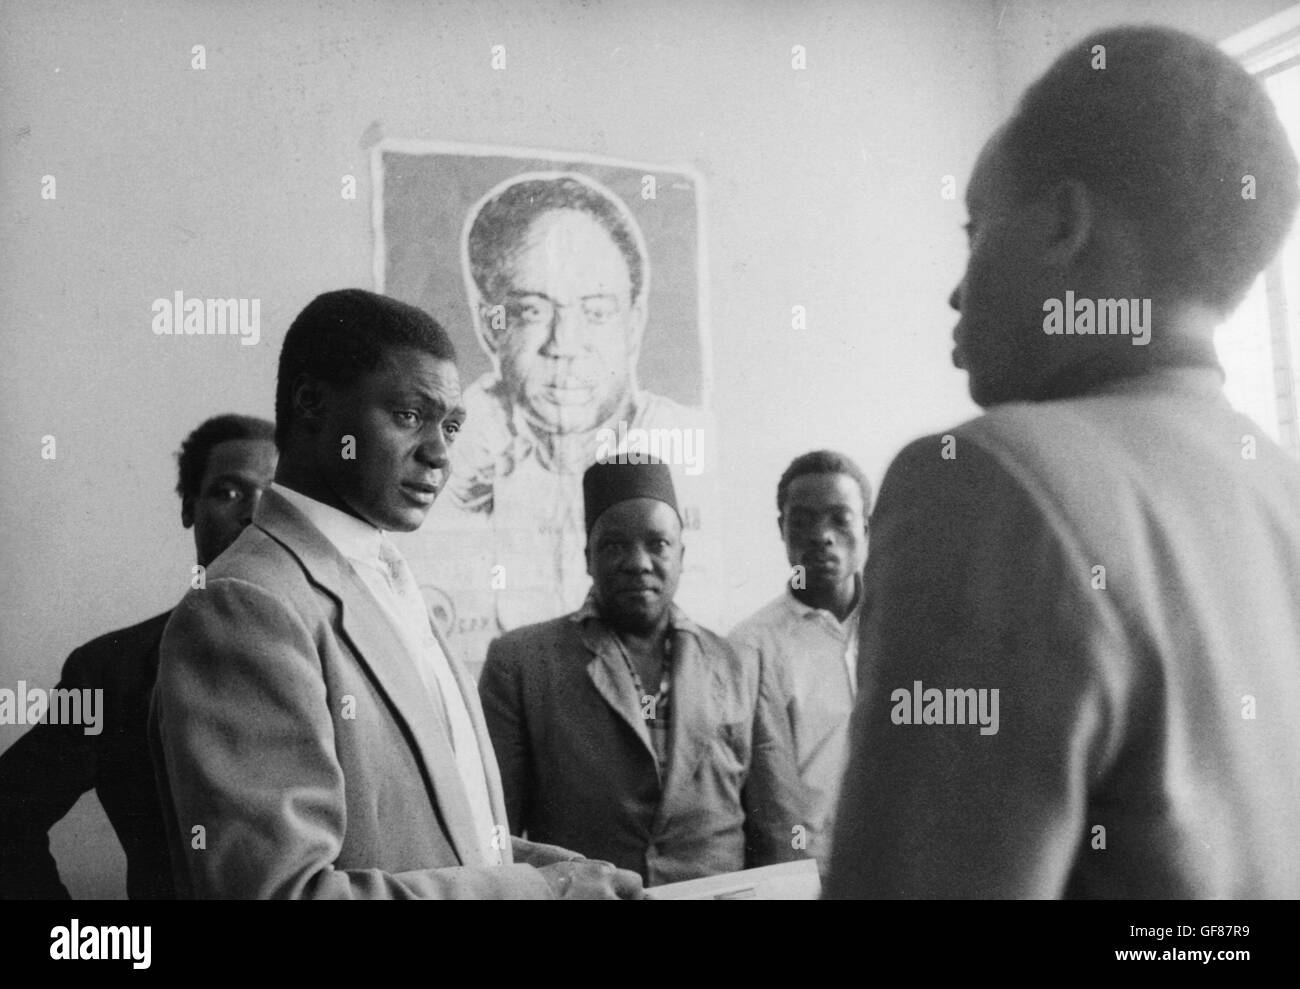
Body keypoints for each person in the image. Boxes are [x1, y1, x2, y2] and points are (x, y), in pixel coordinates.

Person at [827, 26, 1300, 899]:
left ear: (1064, 226)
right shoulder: (1277, 485)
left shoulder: (988, 483)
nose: (958, 289)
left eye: (976, 229)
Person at [152, 289, 642, 900]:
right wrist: (539, 893)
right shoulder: (247, 605)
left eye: (452, 425)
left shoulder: (383, 576)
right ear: (311, 405)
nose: (439, 452)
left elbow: (443, 838)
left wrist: (564, 871)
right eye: (410, 415)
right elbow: (281, 893)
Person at [405, 171, 718, 672]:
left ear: (634, 323)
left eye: (595, 312)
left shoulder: (700, 450)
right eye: (531, 310)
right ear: (492, 325)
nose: (563, 344)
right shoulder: (437, 466)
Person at [479, 458, 807, 886]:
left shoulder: (742, 664)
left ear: (681, 555)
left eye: (658, 544)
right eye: (614, 545)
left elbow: (780, 834)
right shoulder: (521, 663)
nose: (638, 562)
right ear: (587, 558)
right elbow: (492, 835)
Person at [0, 414, 277, 899]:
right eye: (228, 492)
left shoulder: (348, 651)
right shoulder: (111, 670)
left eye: (275, 498)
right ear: (190, 508)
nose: (254, 515)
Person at [730, 450, 870, 871]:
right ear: (781, 529)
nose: (821, 535)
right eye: (803, 520)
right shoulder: (748, 647)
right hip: (807, 876)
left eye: (840, 518)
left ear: (866, 526)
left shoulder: (910, 629)